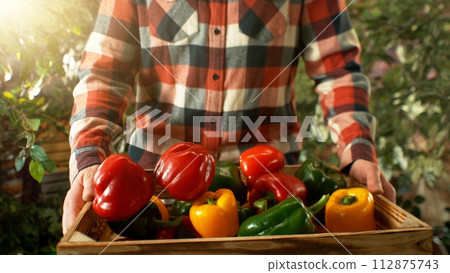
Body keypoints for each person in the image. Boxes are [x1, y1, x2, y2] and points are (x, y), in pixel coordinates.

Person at [62, 0, 396, 234]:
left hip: (268, 191)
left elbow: (338, 71)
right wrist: (89, 156)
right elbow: (105, 71)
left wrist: (357, 152)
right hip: (151, 190)